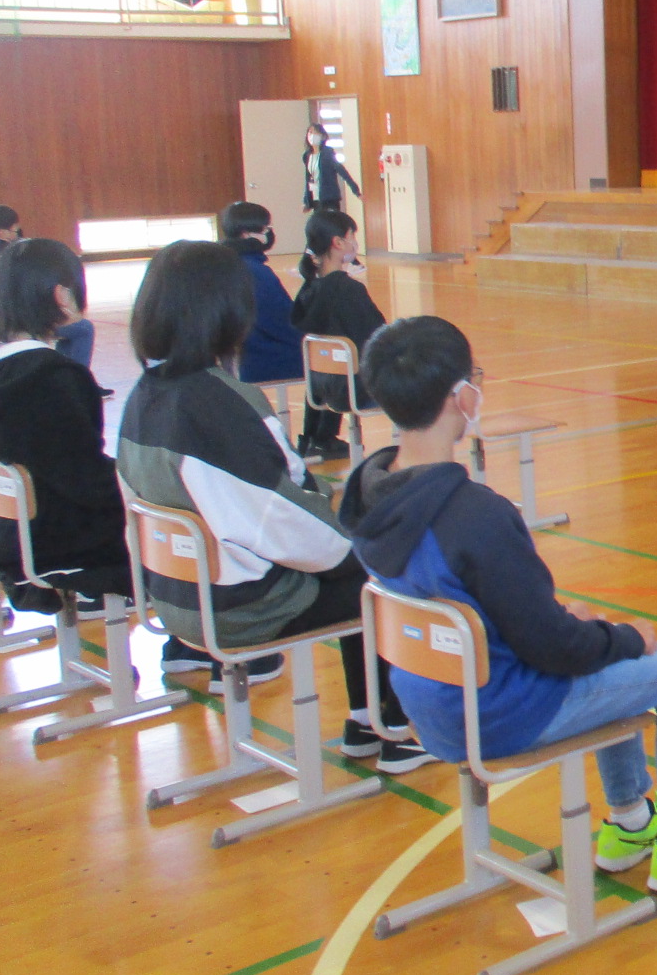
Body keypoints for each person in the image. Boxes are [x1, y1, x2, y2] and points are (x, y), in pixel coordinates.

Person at [345, 314, 657, 892]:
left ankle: (632, 821)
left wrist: (591, 631)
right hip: (500, 713)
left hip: (428, 701)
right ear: (463, 396)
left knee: (599, 638)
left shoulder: (371, 495)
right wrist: (627, 637)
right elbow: (557, 651)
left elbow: (491, 616)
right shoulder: (475, 515)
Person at [115, 240, 427, 769]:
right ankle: (390, 726)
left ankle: (368, 720)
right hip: (239, 607)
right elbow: (279, 520)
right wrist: (356, 543)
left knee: (353, 551)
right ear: (228, 312)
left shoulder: (145, 395)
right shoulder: (217, 405)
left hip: (174, 594)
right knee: (377, 568)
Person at [0, 239, 129, 617]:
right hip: (57, 540)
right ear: (62, 295)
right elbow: (85, 480)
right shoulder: (57, 378)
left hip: (1, 533)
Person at [291, 209, 384, 461]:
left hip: (319, 386)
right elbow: (376, 337)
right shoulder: (349, 290)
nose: (355, 243)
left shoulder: (308, 289)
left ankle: (316, 439)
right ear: (338, 242)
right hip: (351, 390)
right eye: (352, 236)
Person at [0, 205, 95, 369]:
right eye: (15, 230)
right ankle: (77, 374)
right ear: (2, 232)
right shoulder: (17, 258)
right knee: (83, 328)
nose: (18, 233)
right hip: (22, 326)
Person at [219, 202, 302, 386]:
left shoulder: (227, 263)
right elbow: (282, 320)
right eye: (265, 228)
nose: (269, 233)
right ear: (246, 233)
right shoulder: (255, 272)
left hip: (244, 354)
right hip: (269, 356)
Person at [301, 125, 361, 214]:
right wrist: (306, 201)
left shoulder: (327, 153)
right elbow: (308, 180)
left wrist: (355, 190)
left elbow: (341, 171)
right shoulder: (307, 156)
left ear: (322, 136)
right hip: (315, 199)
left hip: (329, 198)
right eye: (310, 132)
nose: (312, 135)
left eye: (315, 132)